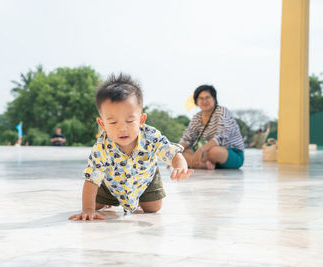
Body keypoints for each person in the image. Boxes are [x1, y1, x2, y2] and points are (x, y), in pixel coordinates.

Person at [69, 73, 193, 221]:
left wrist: (180, 166)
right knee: (95, 204)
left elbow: (172, 152)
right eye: (113, 122)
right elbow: (91, 179)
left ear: (141, 119)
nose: (122, 129)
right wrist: (88, 209)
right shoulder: (101, 147)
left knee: (153, 208)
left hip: (145, 179)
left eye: (129, 121)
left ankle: (140, 198)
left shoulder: (151, 136)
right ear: (102, 124)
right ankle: (109, 201)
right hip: (111, 184)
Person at [179, 85, 245, 170]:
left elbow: (220, 138)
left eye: (207, 97)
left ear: (214, 99)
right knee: (183, 153)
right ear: (196, 101)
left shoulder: (222, 111)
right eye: (201, 98)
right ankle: (204, 165)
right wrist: (175, 154)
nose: (204, 101)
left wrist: (201, 150)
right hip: (206, 152)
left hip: (230, 153)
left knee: (214, 151)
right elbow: (187, 138)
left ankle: (197, 163)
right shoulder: (197, 117)